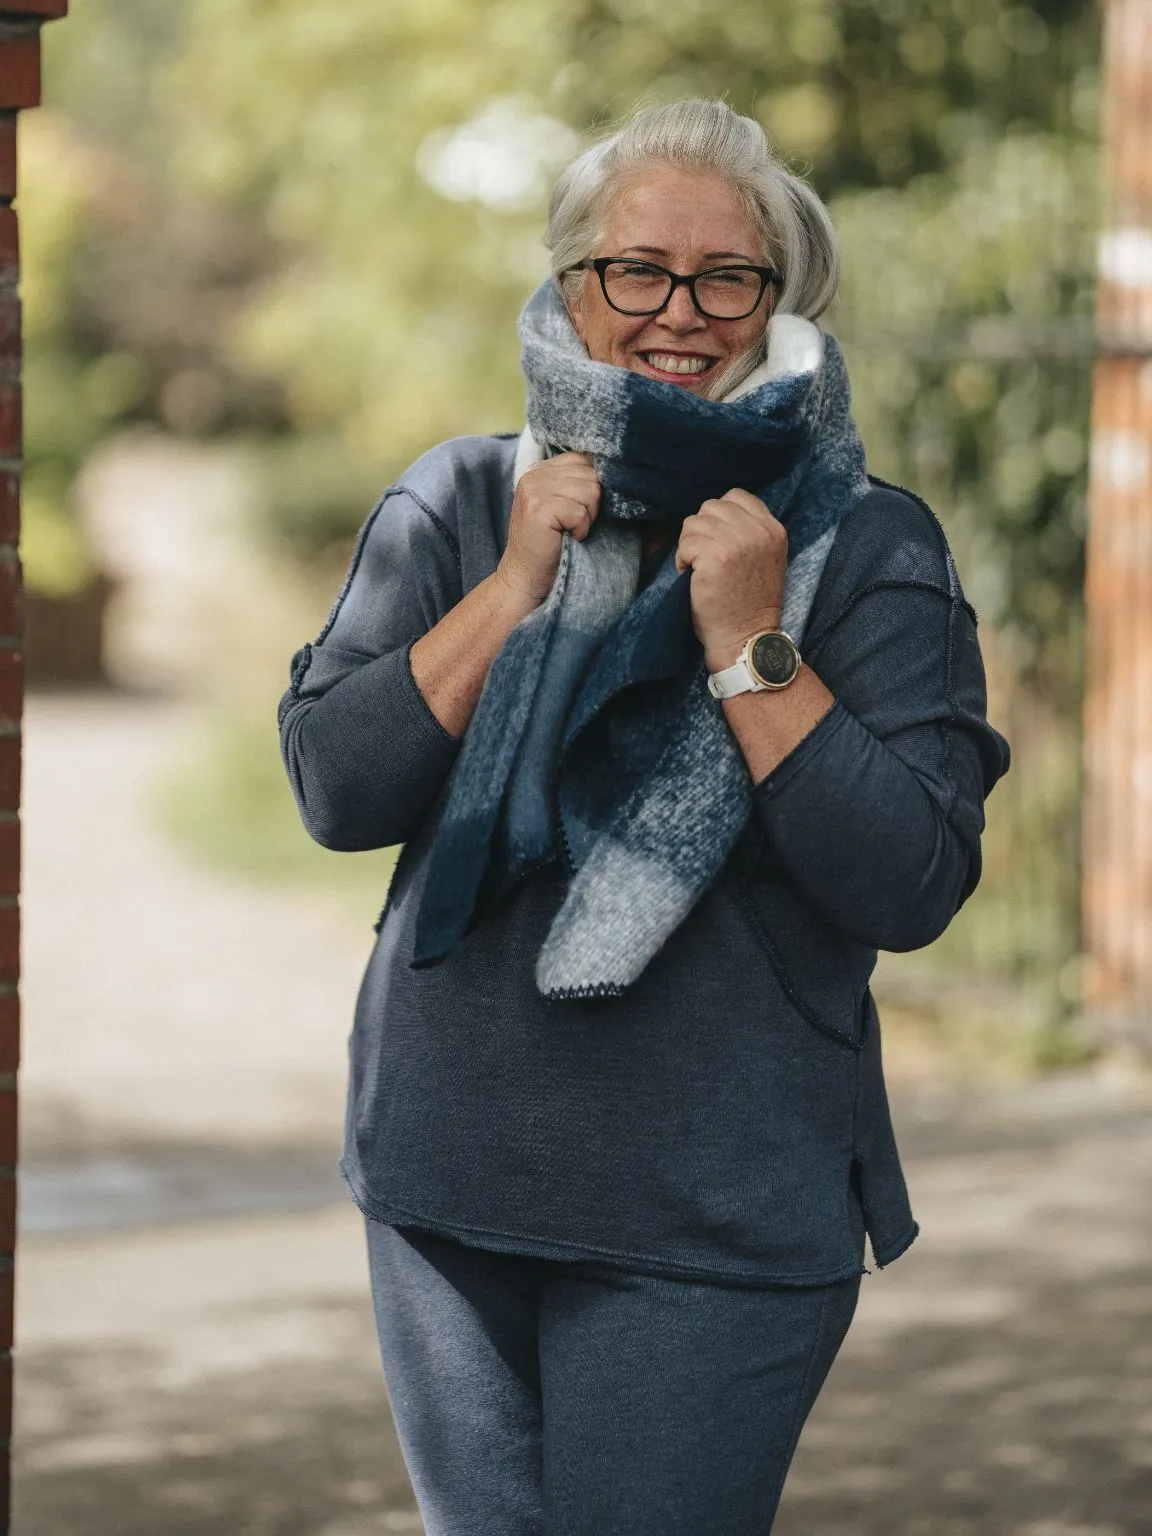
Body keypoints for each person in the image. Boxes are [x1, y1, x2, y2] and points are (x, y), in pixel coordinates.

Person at [279, 98, 1009, 1536]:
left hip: (714, 1217)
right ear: (571, 288)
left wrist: (750, 644)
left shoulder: (865, 545)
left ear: (780, 303)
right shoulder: (463, 500)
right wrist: (507, 594)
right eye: (638, 271)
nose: (682, 312)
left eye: (727, 276)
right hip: (448, 1183)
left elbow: (913, 877)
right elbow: (334, 788)